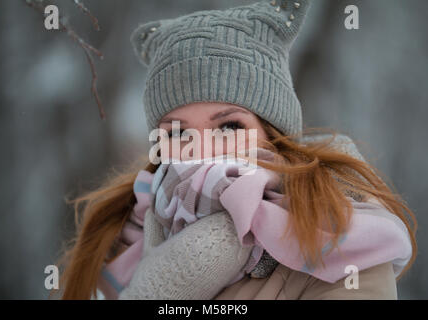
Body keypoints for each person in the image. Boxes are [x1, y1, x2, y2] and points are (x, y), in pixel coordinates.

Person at [52, 0, 417, 300]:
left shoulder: (338, 240)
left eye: (229, 126)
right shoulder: (116, 238)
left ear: (273, 134)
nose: (201, 151)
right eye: (178, 133)